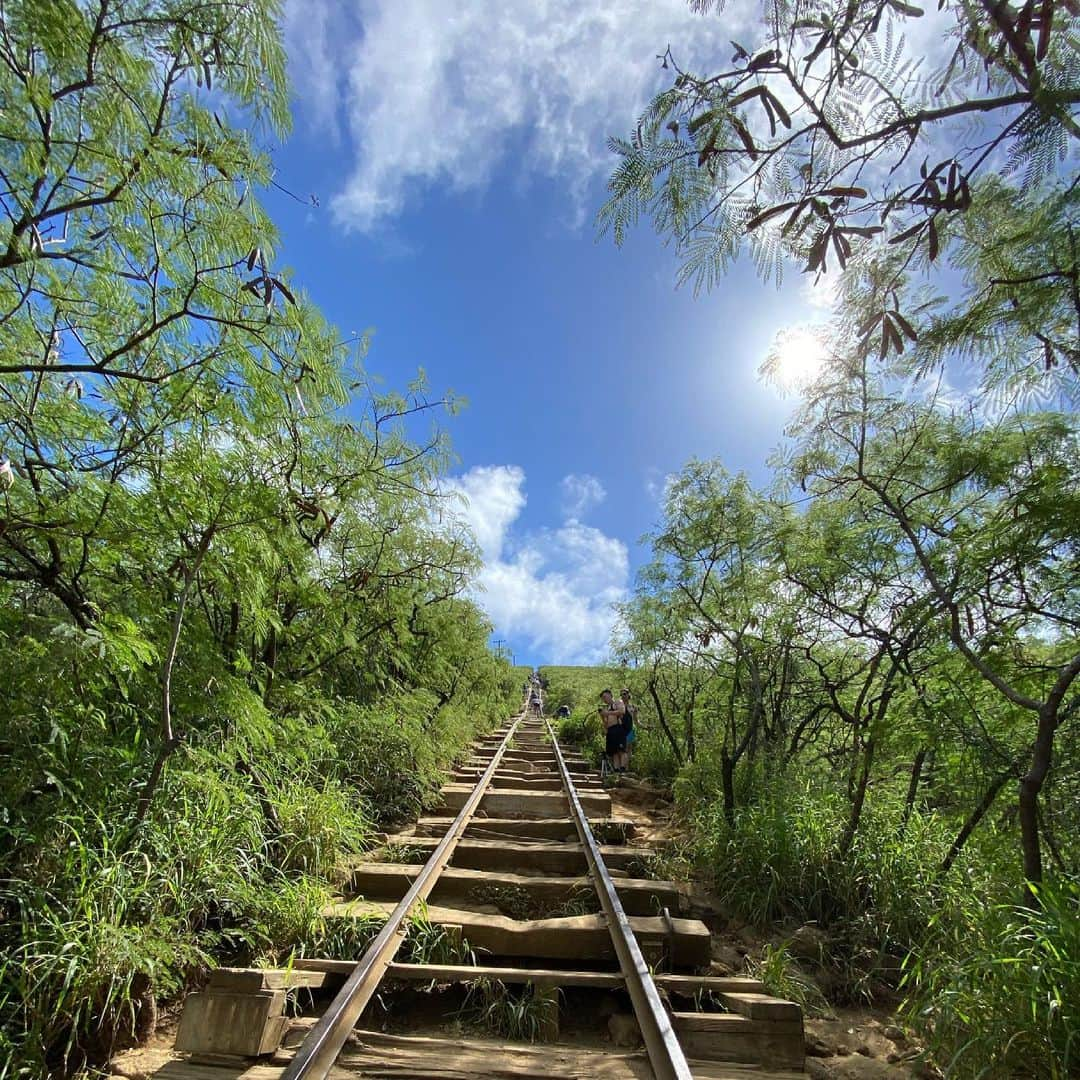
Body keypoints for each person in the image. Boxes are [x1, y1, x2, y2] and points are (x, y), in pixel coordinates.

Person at [598, 689, 626, 774]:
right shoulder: (608, 708)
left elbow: (622, 711)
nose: (604, 699)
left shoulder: (618, 702)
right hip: (610, 731)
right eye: (603, 698)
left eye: (605, 697)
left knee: (621, 750)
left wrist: (608, 713)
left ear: (610, 695)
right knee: (614, 752)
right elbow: (606, 723)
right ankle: (616, 770)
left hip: (618, 728)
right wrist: (602, 717)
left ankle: (623, 769)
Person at [619, 688, 636, 772]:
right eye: (621, 694)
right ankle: (621, 768)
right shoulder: (618, 706)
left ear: (628, 695)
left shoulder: (633, 707)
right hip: (621, 730)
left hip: (630, 730)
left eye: (624, 694)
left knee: (628, 750)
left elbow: (636, 720)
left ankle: (626, 768)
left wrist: (645, 727)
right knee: (621, 749)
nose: (623, 696)